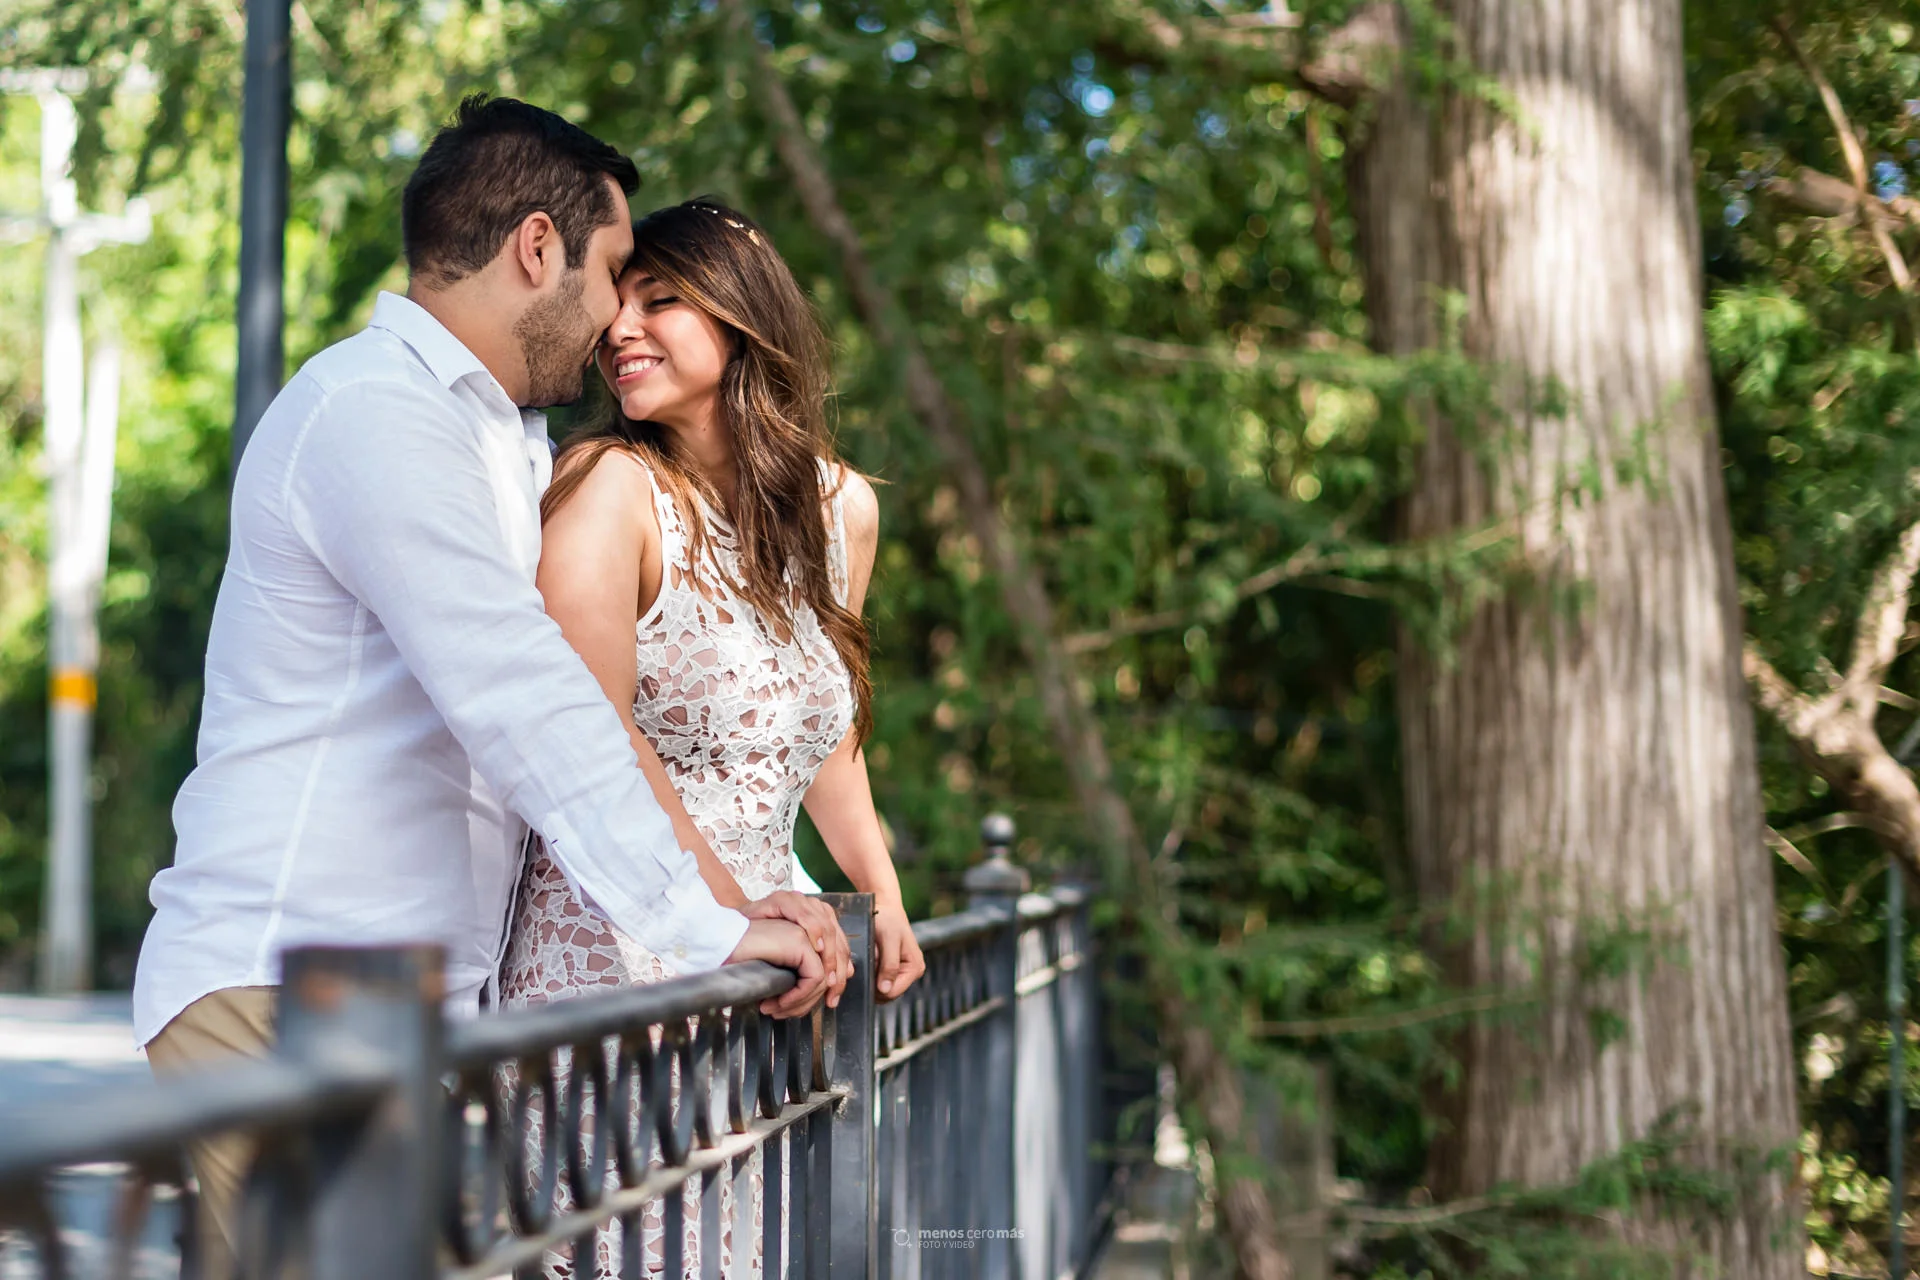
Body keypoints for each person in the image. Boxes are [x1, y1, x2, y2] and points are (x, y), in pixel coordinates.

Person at [131, 99, 846, 1277]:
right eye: (615, 268)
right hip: (292, 986)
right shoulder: (373, 411)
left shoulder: (493, 436)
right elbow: (520, 690)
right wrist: (712, 925)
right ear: (535, 247)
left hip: (399, 1000)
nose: (621, 312)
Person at [498, 198, 927, 1275]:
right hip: (618, 956)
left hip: (767, 967)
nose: (620, 328)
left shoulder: (842, 510)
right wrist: (723, 913)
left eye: (663, 299)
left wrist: (879, 896)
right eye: (617, 302)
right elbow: (591, 731)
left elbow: (819, 735)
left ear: (742, 321)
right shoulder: (608, 490)